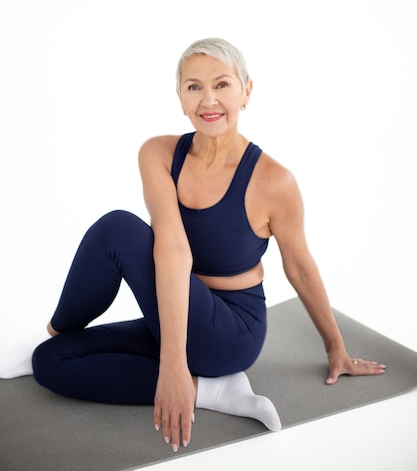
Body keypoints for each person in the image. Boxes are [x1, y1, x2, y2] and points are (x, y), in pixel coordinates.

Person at [2, 38, 385, 453]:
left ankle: (188, 368)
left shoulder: (275, 181)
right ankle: (213, 391)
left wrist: (336, 347)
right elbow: (171, 248)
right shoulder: (159, 153)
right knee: (51, 362)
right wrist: (173, 363)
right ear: (180, 97)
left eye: (222, 84)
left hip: (230, 332)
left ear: (246, 91)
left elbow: (300, 267)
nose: (209, 100)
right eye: (193, 87)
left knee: (119, 229)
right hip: (176, 310)